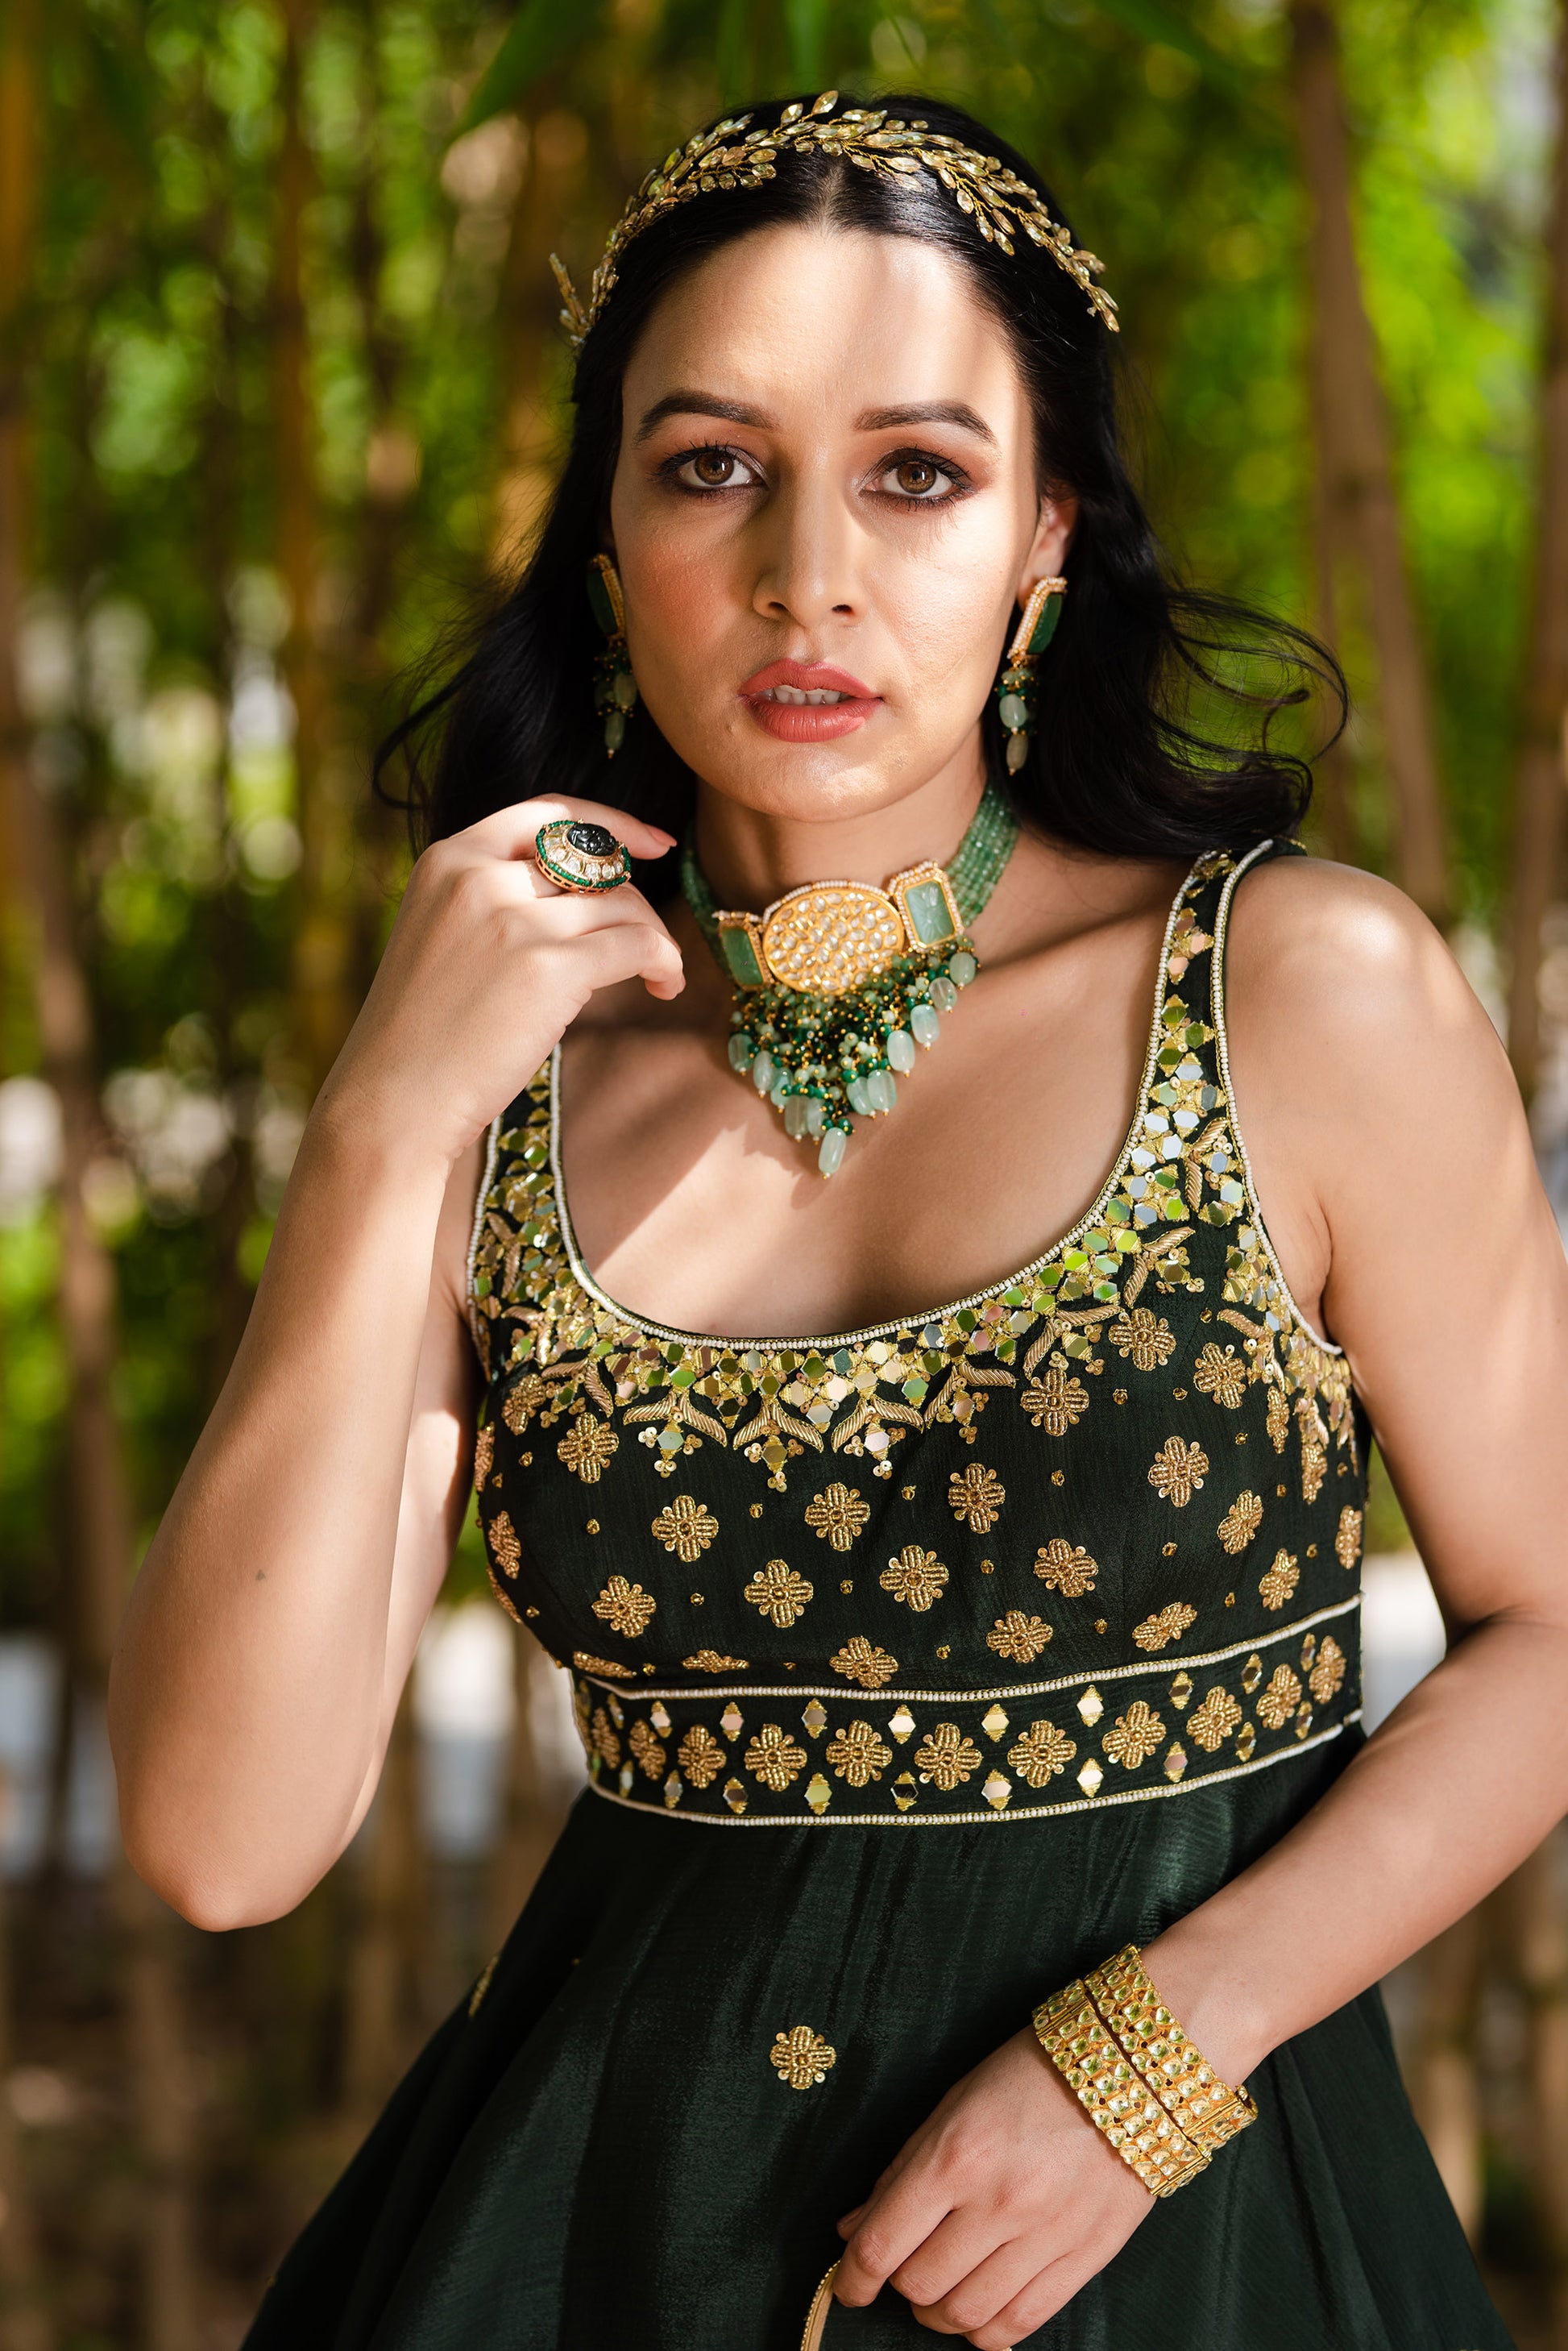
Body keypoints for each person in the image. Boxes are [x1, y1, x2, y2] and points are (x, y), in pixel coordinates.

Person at [106, 87, 1554, 2351]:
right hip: (590, 2249)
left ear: (1048, 531)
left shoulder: (1299, 993)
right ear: (607, 542)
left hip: (1191, 2252)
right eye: (710, 467)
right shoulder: (498, 1085)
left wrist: (1157, 2057)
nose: (808, 573)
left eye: (916, 473)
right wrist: (380, 1127)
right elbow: (221, 1842)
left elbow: (1553, 1630)